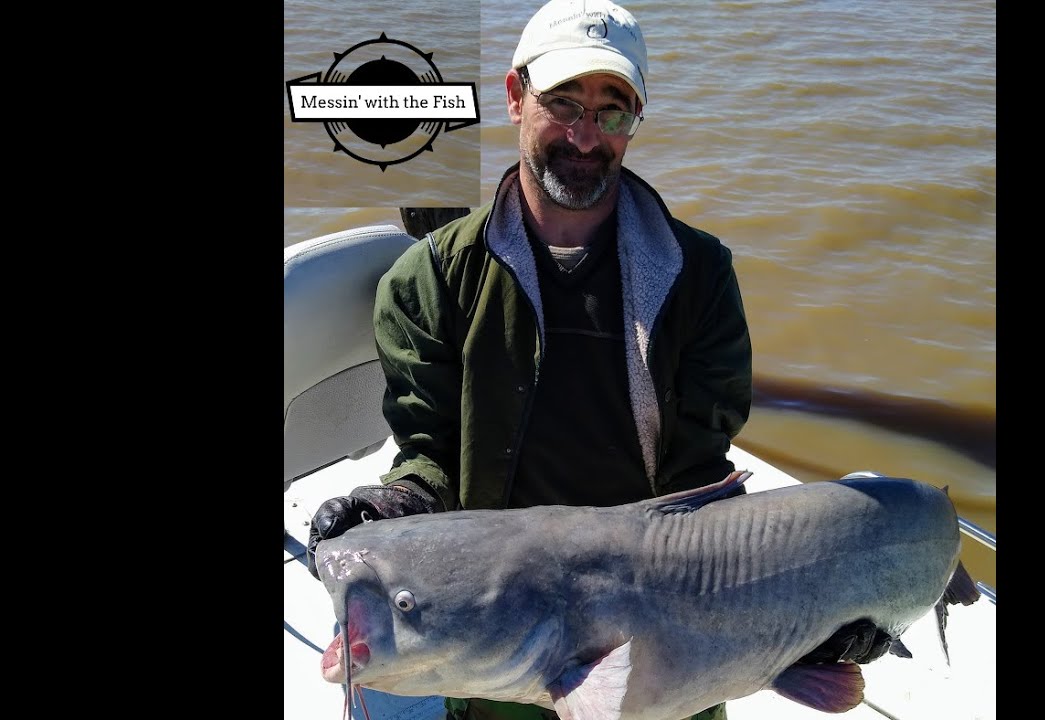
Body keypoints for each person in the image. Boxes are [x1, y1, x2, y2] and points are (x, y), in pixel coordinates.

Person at [307, 1, 751, 718]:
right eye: (564, 102)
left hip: (660, 635)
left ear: (635, 122)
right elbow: (433, 458)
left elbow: (702, 480)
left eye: (613, 111)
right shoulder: (429, 284)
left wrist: (820, 617)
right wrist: (394, 506)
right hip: (499, 639)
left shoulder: (699, 276)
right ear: (515, 97)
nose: (585, 135)